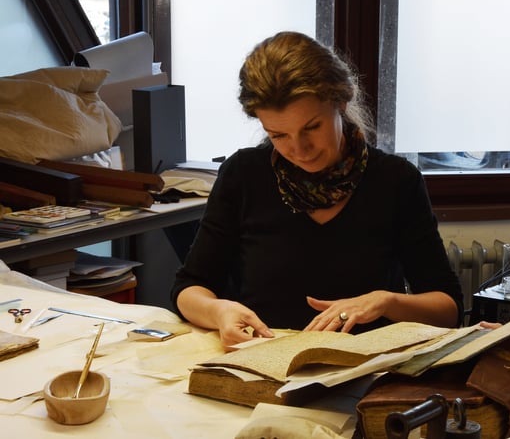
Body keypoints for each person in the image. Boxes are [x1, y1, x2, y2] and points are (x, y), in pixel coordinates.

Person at [170, 31, 462, 348]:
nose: (300, 149)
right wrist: (218, 310)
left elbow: (448, 309)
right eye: (279, 135)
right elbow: (190, 287)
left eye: (312, 127)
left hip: (364, 370)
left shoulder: (395, 181)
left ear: (341, 102)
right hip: (261, 365)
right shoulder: (243, 175)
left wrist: (385, 302)